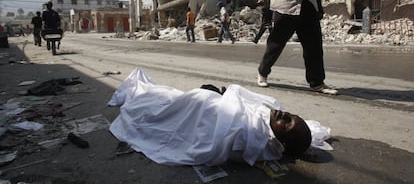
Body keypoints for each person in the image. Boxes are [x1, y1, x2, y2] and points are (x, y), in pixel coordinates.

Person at [108, 68, 318, 166]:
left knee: (150, 105)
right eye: (291, 115)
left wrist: (215, 98)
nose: (284, 115)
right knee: (164, 95)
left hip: (190, 111)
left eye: (287, 123)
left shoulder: (253, 136)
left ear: (280, 142)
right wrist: (225, 95)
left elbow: (216, 130)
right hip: (188, 104)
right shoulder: (267, 118)